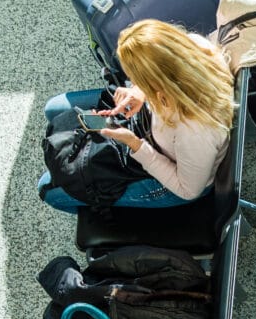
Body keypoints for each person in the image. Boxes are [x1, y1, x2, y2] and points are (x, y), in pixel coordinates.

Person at [39, 19, 234, 213]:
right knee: (53, 108)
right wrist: (139, 92)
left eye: (136, 77)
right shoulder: (194, 46)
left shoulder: (195, 131)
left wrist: (135, 145)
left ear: (155, 81)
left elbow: (188, 190)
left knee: (48, 189)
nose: (130, 80)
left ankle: (106, 215)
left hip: (168, 179)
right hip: (148, 123)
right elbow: (164, 73)